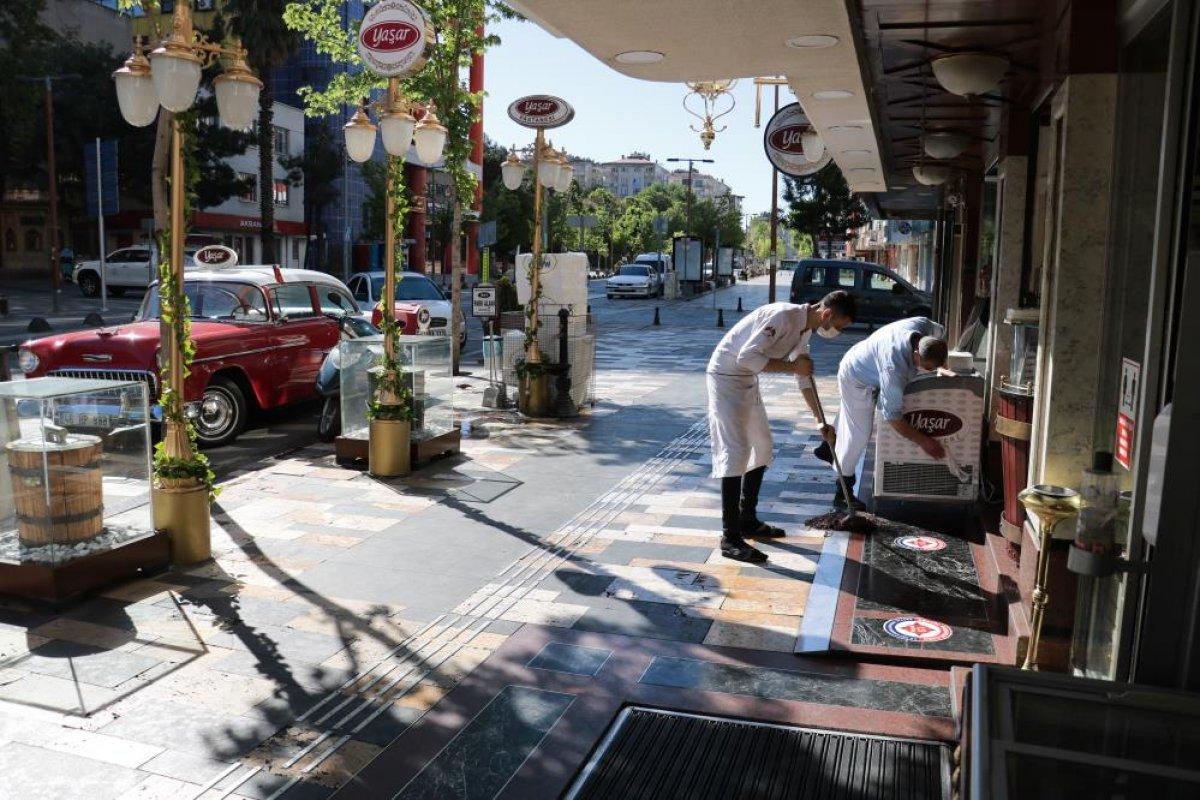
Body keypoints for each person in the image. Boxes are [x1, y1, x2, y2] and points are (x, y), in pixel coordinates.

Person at [707, 291, 858, 563]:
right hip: (726, 378)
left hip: (746, 381)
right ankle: (730, 538)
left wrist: (819, 420)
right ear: (826, 315)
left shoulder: (804, 330)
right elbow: (746, 358)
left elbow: (803, 377)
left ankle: (747, 519)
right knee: (736, 452)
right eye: (839, 326)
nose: (837, 332)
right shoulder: (783, 317)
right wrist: (792, 367)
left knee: (762, 446)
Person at [814, 317, 949, 509]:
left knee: (850, 417)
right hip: (856, 377)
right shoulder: (894, 369)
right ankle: (842, 493)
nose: (932, 370)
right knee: (859, 435)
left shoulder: (921, 325)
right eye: (929, 367)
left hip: (863, 355)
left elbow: (940, 329)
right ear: (917, 354)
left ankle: (826, 448)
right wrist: (924, 441)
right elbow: (893, 418)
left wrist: (944, 365)